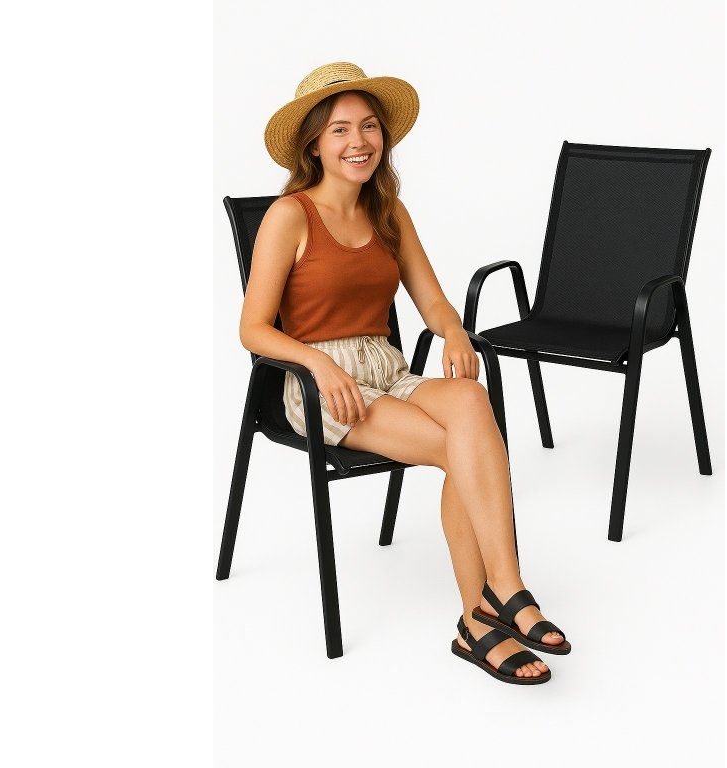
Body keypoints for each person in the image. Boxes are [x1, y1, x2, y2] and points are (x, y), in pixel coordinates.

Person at [240, 62, 570, 684]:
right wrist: (316, 362)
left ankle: (500, 589)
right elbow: (253, 328)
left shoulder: (388, 211)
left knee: (470, 403)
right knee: (459, 446)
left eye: (369, 126)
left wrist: (453, 333)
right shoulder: (290, 215)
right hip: (319, 383)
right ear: (314, 145)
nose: (358, 141)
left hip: (386, 367)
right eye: (340, 129)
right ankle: (482, 616)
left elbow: (432, 300)